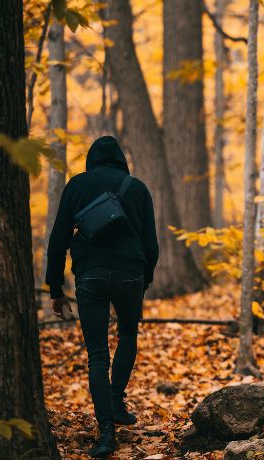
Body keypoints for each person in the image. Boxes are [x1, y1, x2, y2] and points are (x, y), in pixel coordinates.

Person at [45, 136, 159, 458]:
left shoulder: (76, 186)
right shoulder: (136, 188)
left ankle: (106, 433)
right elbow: (151, 245)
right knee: (128, 334)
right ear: (121, 159)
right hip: (129, 275)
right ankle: (116, 400)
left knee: (97, 354)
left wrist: (55, 288)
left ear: (91, 160)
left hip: (91, 275)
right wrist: (144, 282)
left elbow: (58, 241)